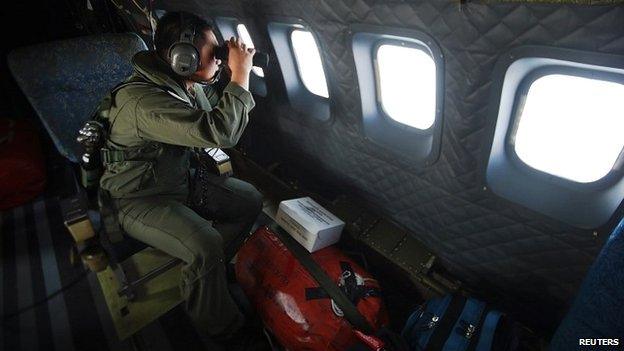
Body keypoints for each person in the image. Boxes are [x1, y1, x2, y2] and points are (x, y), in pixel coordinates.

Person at [96, 11, 263, 339]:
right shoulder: (144, 102)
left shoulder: (181, 83)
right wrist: (241, 74)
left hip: (177, 181)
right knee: (205, 243)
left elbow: (217, 109)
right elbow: (220, 130)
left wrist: (225, 68)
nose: (216, 59)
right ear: (182, 57)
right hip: (136, 198)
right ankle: (220, 327)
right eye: (211, 52)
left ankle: (205, 275)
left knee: (250, 200)